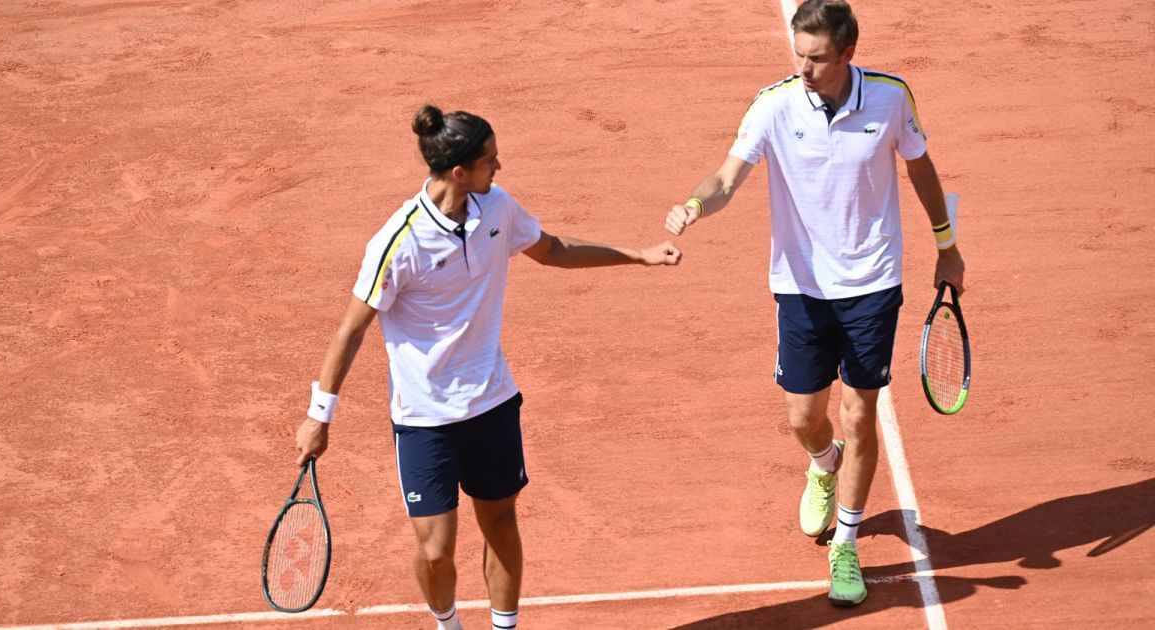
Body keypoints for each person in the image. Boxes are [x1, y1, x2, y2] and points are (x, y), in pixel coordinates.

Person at [295, 104, 681, 630]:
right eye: (490, 161)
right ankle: (447, 623)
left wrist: (636, 254)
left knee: (500, 521)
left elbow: (552, 249)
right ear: (460, 172)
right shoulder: (399, 241)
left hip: (491, 401)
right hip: (424, 417)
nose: (499, 168)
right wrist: (320, 415)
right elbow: (351, 328)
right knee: (435, 550)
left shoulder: (495, 209)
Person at [664, 0, 965, 608]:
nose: (804, 68)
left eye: (818, 59)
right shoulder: (774, 104)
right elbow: (726, 177)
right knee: (803, 419)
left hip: (872, 282)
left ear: (848, 53)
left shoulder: (889, 97)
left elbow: (921, 168)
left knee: (860, 415)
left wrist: (947, 245)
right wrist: (693, 206)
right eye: (798, 55)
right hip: (800, 286)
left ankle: (847, 545)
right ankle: (823, 465)